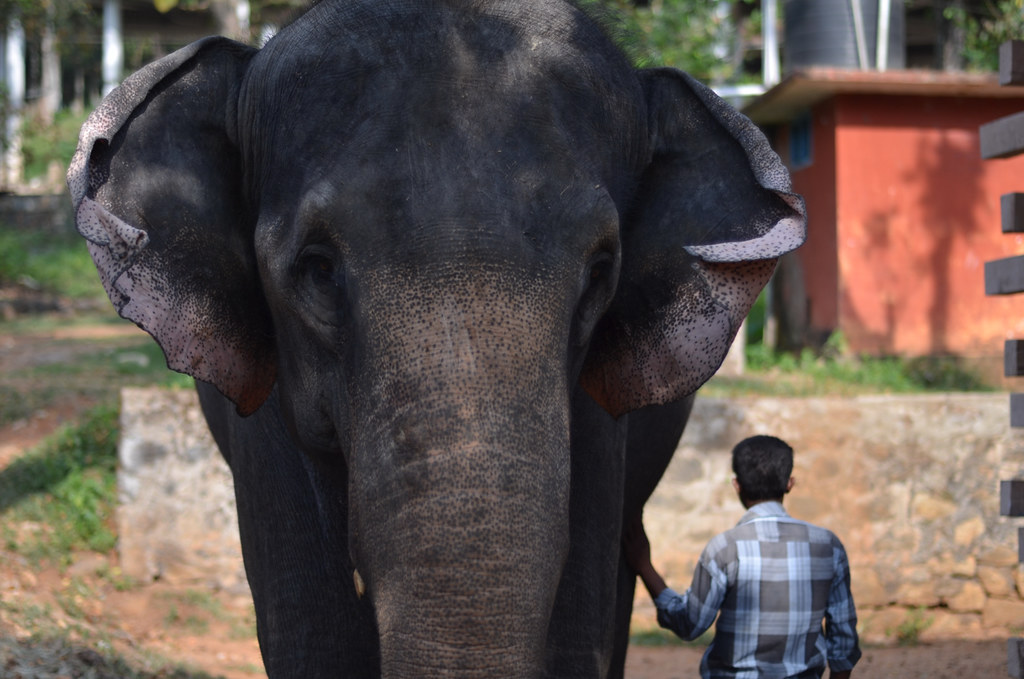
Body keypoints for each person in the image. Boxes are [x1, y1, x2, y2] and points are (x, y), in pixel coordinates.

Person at [623, 435, 860, 679]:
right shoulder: (828, 546)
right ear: (790, 483)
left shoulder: (724, 549)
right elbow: (843, 638)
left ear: (737, 485)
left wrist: (644, 566)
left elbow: (689, 624)